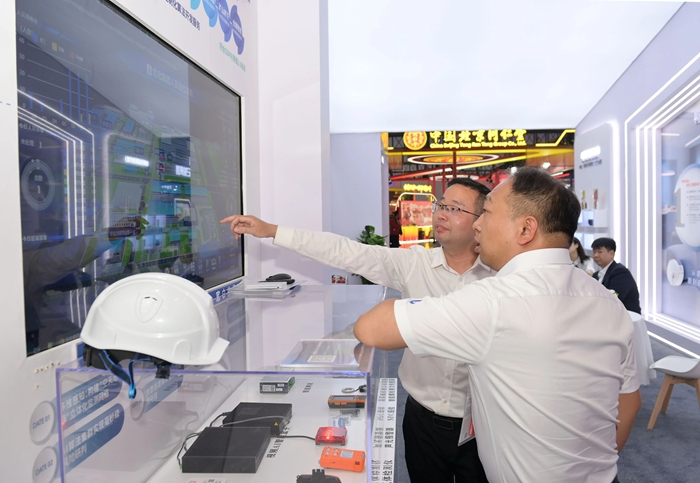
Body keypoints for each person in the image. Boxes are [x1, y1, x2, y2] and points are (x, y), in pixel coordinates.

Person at [354, 167, 642, 483]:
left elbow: (371, 328)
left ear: (525, 229)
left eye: (487, 212)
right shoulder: (609, 303)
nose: (477, 224)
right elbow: (629, 400)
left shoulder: (492, 301)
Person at [221, 178, 493, 483]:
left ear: (480, 222)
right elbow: (345, 252)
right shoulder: (414, 263)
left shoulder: (500, 278)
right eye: (441, 205)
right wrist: (273, 230)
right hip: (421, 421)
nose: (441, 213)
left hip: (482, 424)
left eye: (455, 209)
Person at [592, 237, 642, 314]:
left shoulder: (620, 272)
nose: (595, 255)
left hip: (625, 316)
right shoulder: (596, 275)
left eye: (600, 252)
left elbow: (614, 299)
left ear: (611, 254)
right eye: (594, 252)